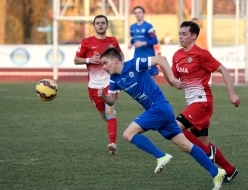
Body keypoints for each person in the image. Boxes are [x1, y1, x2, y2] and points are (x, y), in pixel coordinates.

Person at [98, 47, 226, 190]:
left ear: (115, 60)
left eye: (105, 63)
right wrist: (104, 97)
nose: (103, 67)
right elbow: (111, 100)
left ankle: (161, 156)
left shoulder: (134, 64)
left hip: (159, 107)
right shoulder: (114, 79)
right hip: (159, 113)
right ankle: (216, 172)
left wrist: (171, 80)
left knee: (128, 134)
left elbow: (161, 59)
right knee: (185, 146)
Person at [171, 21, 241, 183]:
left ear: (194, 36)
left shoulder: (201, 54)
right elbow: (175, 79)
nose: (180, 37)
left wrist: (231, 94)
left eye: (184, 34)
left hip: (202, 102)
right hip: (192, 103)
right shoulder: (176, 56)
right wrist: (173, 81)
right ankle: (230, 170)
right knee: (204, 144)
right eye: (179, 33)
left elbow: (223, 69)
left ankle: (207, 153)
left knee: (174, 127)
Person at [74, 15, 124, 155]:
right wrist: (89, 59)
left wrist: (121, 68)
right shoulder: (86, 42)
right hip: (94, 86)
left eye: (103, 23)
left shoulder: (112, 41)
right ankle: (111, 119)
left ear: (107, 25)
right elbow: (76, 60)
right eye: (98, 23)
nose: (100, 25)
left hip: (110, 82)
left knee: (109, 112)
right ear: (94, 25)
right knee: (105, 116)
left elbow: (120, 55)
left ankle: (112, 143)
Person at [128, 6, 159, 82]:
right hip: (137, 57)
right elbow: (133, 38)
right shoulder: (132, 27)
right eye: (135, 13)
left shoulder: (148, 26)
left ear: (143, 14)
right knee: (139, 82)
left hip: (149, 57)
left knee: (152, 83)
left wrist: (143, 43)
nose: (137, 14)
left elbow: (155, 40)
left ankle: (156, 94)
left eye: (139, 12)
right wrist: (130, 43)